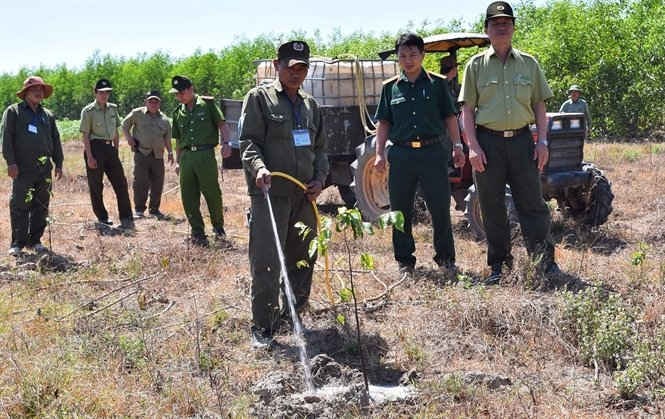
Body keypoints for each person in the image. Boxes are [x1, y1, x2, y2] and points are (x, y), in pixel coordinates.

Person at [459, 1, 558, 284]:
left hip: (523, 142)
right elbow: (466, 110)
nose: (501, 27)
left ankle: (544, 262)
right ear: (487, 29)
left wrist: (543, 142)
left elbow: (539, 105)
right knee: (492, 207)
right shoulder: (475, 65)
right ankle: (499, 265)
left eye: (506, 23)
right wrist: (473, 147)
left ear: (513, 28)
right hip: (488, 144)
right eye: (495, 23)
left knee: (533, 204)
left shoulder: (529, 63)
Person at [239, 40, 329, 348]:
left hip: (303, 197)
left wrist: (319, 179)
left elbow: (320, 150)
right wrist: (259, 168)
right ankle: (262, 327)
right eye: (291, 67)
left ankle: (292, 315)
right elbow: (249, 142)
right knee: (266, 261)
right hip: (269, 195)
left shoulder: (311, 106)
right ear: (278, 66)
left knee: (303, 258)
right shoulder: (260, 99)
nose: (296, 73)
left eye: (302, 68)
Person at [373, 33, 465, 280]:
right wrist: (379, 153)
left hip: (433, 152)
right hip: (402, 154)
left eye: (413, 54)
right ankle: (404, 260)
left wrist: (458, 146)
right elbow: (383, 122)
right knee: (400, 210)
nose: (408, 60)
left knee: (440, 208)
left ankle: (446, 259)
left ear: (422, 55)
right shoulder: (389, 88)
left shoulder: (437, 84)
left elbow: (450, 117)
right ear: (398, 59)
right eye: (403, 55)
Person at [1, 76, 63, 255]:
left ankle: (35, 240)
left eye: (41, 89)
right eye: (34, 89)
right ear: (26, 92)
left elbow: (56, 140)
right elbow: (6, 139)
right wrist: (11, 163)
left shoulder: (47, 115)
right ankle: (17, 243)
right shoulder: (14, 112)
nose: (39, 92)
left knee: (41, 204)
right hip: (22, 168)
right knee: (20, 204)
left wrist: (59, 162)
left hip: (44, 170)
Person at [170, 75, 232, 247]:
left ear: (191, 89)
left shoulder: (207, 105)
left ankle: (218, 229)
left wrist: (227, 143)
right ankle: (197, 232)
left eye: (181, 93)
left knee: (212, 193)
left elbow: (222, 125)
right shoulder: (177, 112)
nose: (179, 97)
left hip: (205, 155)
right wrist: (177, 161)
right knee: (188, 196)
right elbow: (178, 140)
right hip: (187, 158)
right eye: (176, 94)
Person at [80, 78, 134, 230]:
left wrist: (115, 150)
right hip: (95, 148)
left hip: (110, 148)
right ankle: (102, 217)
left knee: (121, 183)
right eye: (101, 92)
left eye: (107, 93)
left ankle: (126, 216)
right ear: (95, 93)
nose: (104, 95)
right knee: (96, 185)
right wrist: (90, 156)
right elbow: (85, 135)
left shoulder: (113, 109)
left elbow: (116, 131)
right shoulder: (88, 111)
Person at [121, 90, 174, 219]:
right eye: (150, 101)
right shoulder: (137, 113)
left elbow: (167, 138)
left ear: (159, 103)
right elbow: (124, 125)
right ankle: (139, 210)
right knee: (140, 182)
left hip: (158, 155)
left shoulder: (165, 120)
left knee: (158, 183)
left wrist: (170, 152)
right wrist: (129, 138)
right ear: (146, 102)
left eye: (156, 101)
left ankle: (154, 209)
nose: (153, 104)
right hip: (141, 153)